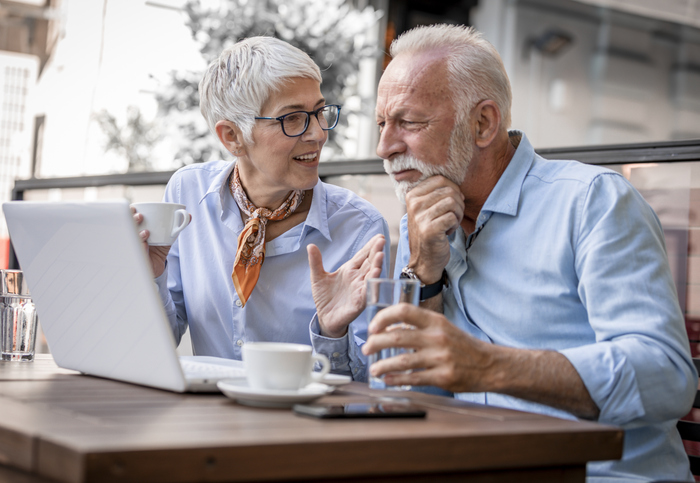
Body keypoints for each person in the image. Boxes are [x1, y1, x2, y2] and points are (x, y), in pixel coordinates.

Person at [362, 24, 698, 482]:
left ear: (483, 123)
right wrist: (423, 274)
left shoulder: (591, 202)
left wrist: (486, 366)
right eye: (382, 124)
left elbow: (666, 376)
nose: (385, 147)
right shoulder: (422, 218)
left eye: (410, 122)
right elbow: (405, 395)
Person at [134, 36, 389, 378]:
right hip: (207, 420)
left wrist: (332, 333)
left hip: (301, 427)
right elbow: (158, 343)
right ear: (232, 137)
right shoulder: (187, 194)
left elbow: (370, 391)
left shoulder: (359, 229)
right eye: (293, 118)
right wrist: (149, 278)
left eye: (319, 112)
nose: (317, 134)